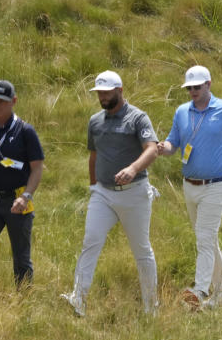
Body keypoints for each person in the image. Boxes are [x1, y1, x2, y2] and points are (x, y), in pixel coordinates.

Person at [156, 65, 222, 311]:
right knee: (208, 239)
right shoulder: (182, 112)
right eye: (189, 88)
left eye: (197, 87)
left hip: (217, 185)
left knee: (204, 237)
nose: (193, 91)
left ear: (209, 84)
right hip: (189, 186)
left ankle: (200, 289)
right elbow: (174, 143)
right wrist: (164, 148)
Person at [61, 70, 160, 316]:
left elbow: (152, 149)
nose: (102, 97)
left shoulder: (138, 118)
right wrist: (93, 185)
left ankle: (151, 307)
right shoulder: (95, 121)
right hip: (103, 194)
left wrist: (133, 168)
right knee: (90, 242)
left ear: (120, 90)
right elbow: (93, 156)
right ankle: (78, 299)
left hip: (134, 193)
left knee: (141, 250)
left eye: (106, 92)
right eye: (99, 93)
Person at [0, 80, 45, 289]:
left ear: (14, 101)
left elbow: (37, 168)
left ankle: (23, 304)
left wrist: (26, 196)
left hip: (18, 199)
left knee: (21, 257)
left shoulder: (25, 131)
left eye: (3, 101)